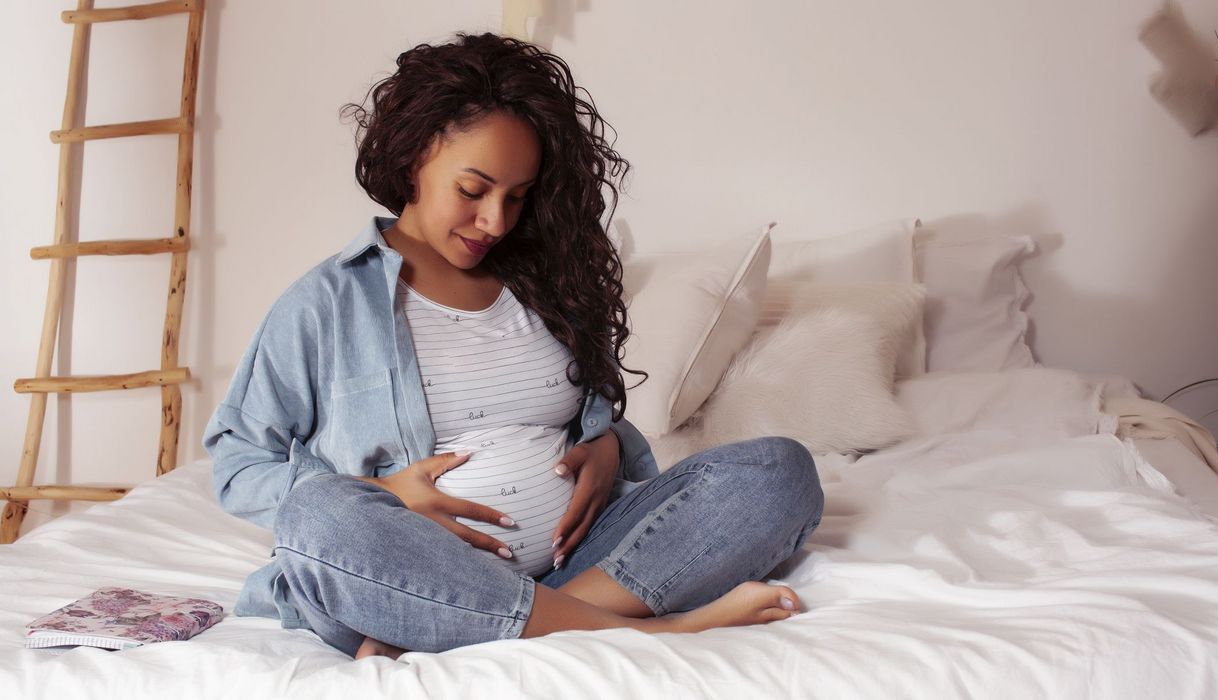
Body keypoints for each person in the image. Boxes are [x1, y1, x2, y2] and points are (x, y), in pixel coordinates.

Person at [203, 32, 824, 660]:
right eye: (473, 191)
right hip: (409, 572)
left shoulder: (545, 286)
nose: (495, 221)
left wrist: (607, 447)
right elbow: (237, 465)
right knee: (320, 522)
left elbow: (588, 418)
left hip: (579, 560)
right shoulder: (325, 303)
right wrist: (387, 496)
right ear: (414, 156)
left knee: (778, 472)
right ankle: (648, 632)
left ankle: (495, 623)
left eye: (517, 198)